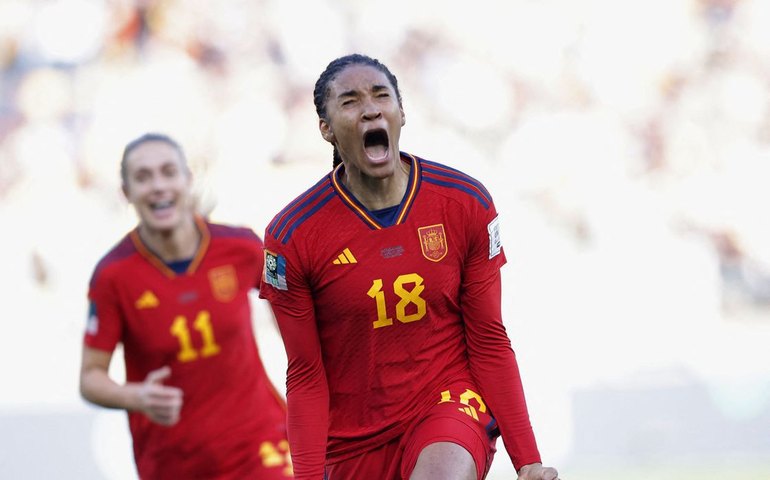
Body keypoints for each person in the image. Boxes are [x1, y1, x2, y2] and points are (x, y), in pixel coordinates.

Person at [259, 53, 559, 480]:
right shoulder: (293, 235)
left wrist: (528, 461)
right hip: (353, 439)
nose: (370, 108)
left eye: (382, 96)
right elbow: (305, 375)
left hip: (447, 405)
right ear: (326, 129)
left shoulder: (463, 202)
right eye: (349, 102)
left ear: (401, 112)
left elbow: (489, 338)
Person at [79, 133, 293, 479]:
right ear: (126, 193)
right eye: (143, 177)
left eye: (168, 172)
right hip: (173, 460)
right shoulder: (112, 276)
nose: (158, 186)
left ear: (187, 180)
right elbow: (90, 378)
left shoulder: (243, 246)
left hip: (259, 442)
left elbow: (294, 309)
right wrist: (138, 397)